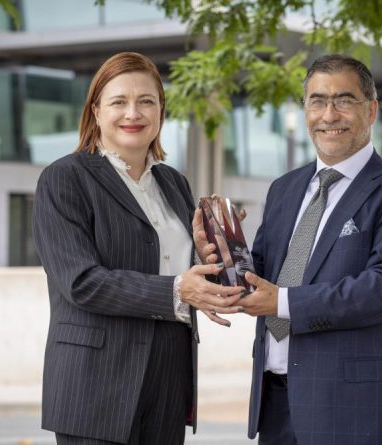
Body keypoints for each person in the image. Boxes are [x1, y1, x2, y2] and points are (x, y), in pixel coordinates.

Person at [238, 54, 382, 444]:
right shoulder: (283, 189)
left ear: (370, 110)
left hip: (354, 411)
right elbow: (262, 272)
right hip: (275, 405)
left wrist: (283, 303)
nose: (329, 114)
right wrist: (219, 252)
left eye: (344, 100)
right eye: (317, 100)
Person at [33, 52, 243, 445]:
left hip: (167, 377)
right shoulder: (65, 178)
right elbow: (81, 282)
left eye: (147, 101)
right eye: (119, 101)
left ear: (161, 111)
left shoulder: (173, 182)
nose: (134, 112)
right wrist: (179, 290)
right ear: (96, 111)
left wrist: (206, 253)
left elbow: (172, 267)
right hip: (96, 383)